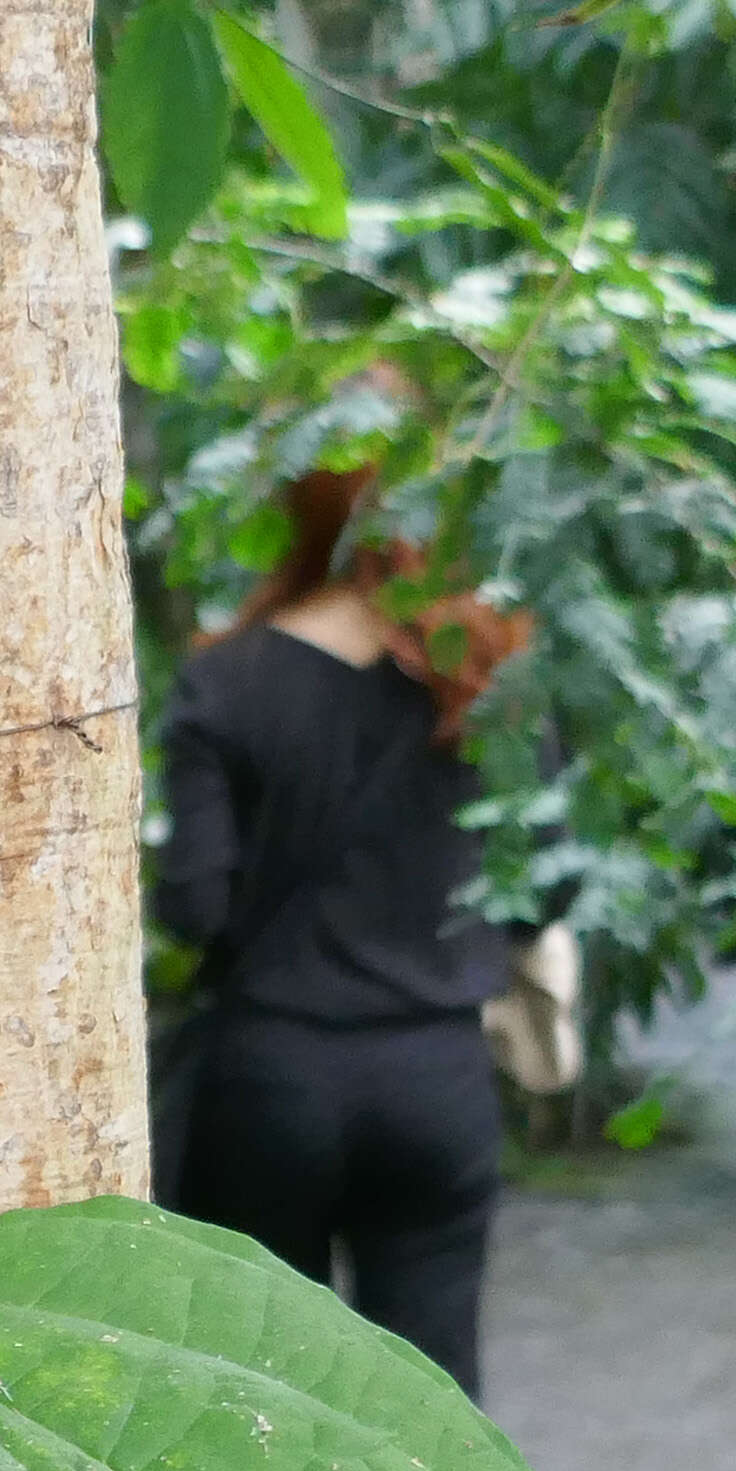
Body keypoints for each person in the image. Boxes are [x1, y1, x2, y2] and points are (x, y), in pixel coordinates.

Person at [147, 469, 531, 1396]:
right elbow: (539, 885)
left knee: (260, 1392)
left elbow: (195, 907)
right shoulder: (483, 672)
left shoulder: (226, 680)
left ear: (299, 506)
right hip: (436, 1075)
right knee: (434, 1409)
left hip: (272, 1079)